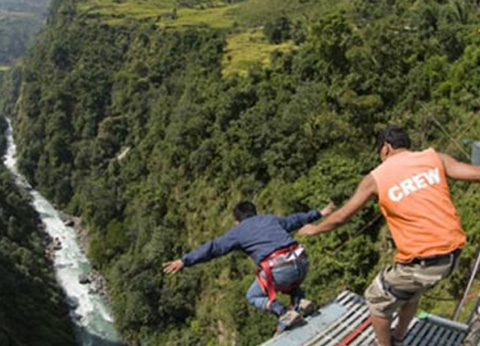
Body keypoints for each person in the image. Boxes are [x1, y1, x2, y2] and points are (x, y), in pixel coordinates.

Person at [298, 125, 480, 346]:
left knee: (376, 298)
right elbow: (474, 173)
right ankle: (399, 336)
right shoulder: (434, 158)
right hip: (453, 253)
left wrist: (315, 229)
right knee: (409, 290)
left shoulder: (376, 177)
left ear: (385, 148)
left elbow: (342, 216)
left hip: (424, 260)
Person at [163, 201, 335, 333]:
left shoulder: (238, 232)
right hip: (301, 261)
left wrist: (184, 260)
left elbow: (213, 248)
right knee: (288, 278)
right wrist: (319, 213)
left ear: (237, 221)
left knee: (253, 294)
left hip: (279, 268)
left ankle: (283, 312)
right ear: (255, 212)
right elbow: (296, 220)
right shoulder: (270, 219)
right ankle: (300, 302)